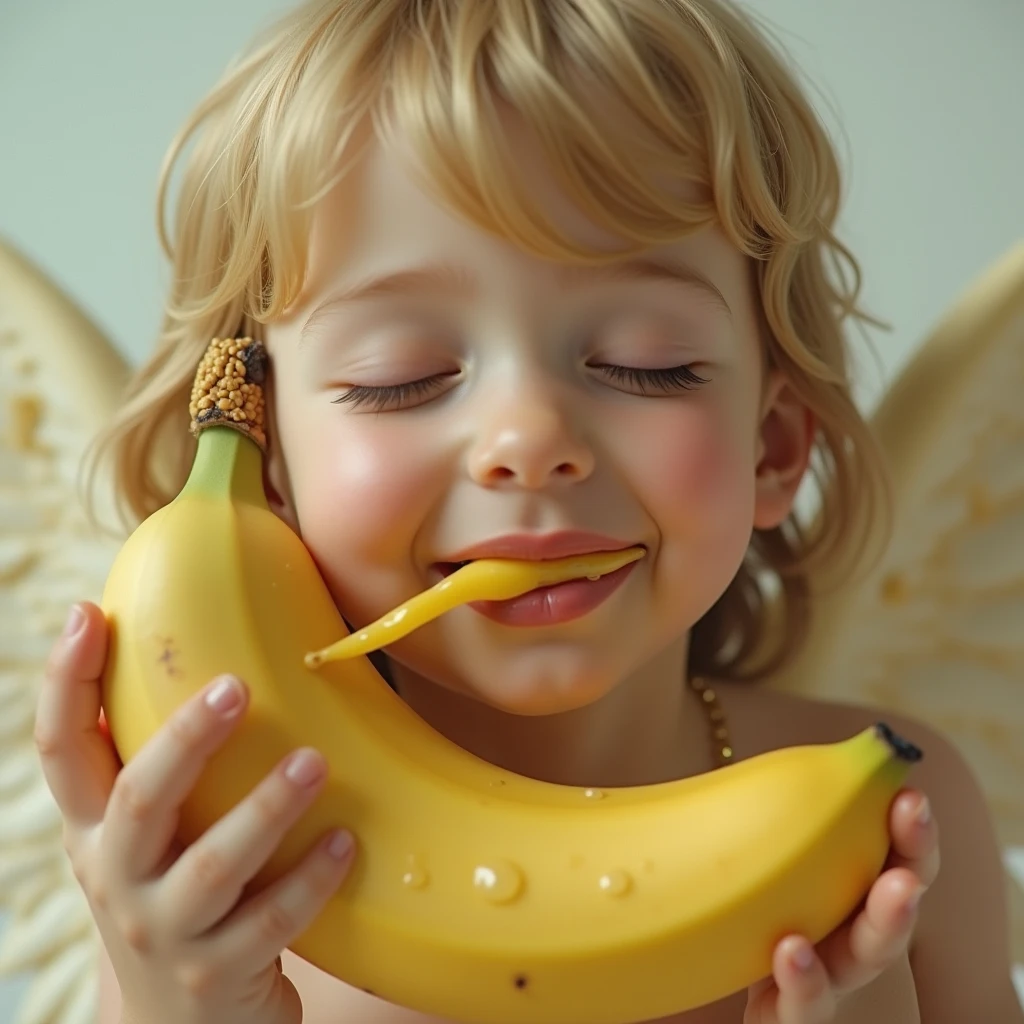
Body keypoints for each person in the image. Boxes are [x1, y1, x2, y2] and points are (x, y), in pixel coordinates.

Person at [32, 1, 1020, 1022]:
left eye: (646, 360)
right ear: (270, 465)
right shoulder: (221, 874)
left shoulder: (897, 817)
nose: (527, 437)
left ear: (771, 446)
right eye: (399, 376)